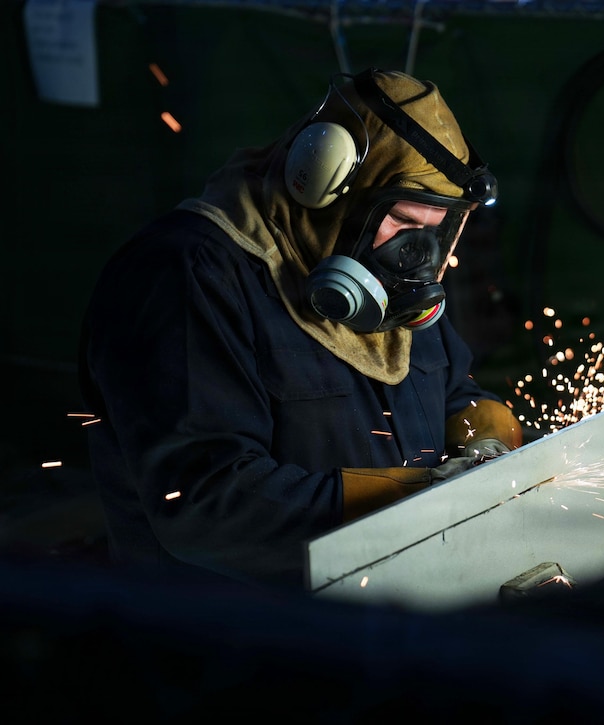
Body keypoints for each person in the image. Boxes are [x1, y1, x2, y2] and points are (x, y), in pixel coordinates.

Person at [78, 68, 524, 591]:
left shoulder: (391, 287)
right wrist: (418, 498)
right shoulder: (186, 275)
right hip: (229, 648)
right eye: (402, 222)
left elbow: (455, 396)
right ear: (322, 183)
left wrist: (492, 453)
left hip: (367, 632)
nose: (418, 254)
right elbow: (206, 502)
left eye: (435, 230)